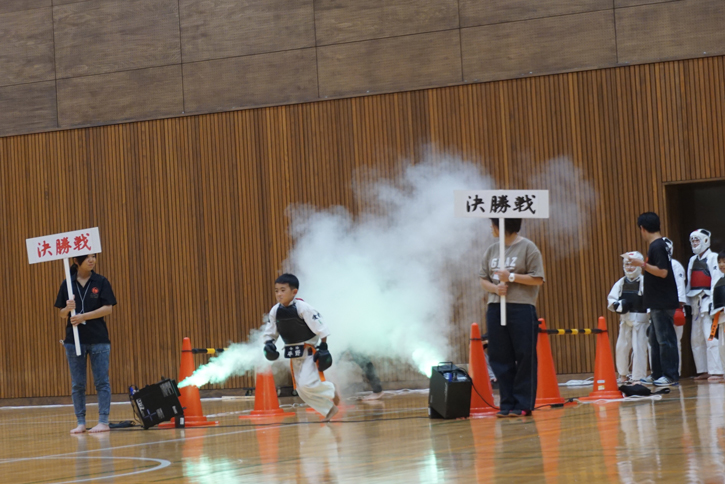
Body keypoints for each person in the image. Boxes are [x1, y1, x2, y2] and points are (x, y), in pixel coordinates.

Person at [479, 218, 545, 418]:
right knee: (499, 356)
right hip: (495, 307)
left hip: (521, 307)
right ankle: (506, 403)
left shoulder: (528, 248)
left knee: (524, 355)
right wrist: (495, 288)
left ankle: (523, 403)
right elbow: (483, 279)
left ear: (503, 226)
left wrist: (512, 277)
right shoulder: (492, 250)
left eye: (493, 224)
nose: (491, 228)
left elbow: (538, 279)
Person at [262, 273, 340, 422]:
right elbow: (270, 332)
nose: (279, 294)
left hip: (308, 350)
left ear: (294, 292)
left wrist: (323, 347)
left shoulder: (304, 308)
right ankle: (329, 409)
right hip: (292, 352)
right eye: (276, 290)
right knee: (301, 390)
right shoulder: (275, 311)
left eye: (283, 290)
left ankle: (331, 389)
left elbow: (322, 328)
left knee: (306, 384)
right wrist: (269, 344)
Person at [55, 254, 116, 434]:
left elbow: (108, 308)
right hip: (74, 341)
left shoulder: (101, 281)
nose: (92, 260)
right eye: (87, 257)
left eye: (94, 257)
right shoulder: (67, 284)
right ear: (76, 261)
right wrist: (67, 308)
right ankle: (80, 422)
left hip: (98, 339)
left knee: (102, 382)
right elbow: (61, 314)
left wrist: (84, 317)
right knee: (78, 384)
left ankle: (103, 421)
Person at [631, 212, 680, 387]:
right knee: (654, 339)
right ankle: (657, 373)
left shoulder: (658, 246)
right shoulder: (658, 245)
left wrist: (641, 264)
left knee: (665, 339)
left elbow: (663, 272)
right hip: (657, 301)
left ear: (642, 228)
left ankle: (670, 375)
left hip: (662, 301)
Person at [686, 229, 723, 382]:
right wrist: (687, 303)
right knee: (696, 339)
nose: (695, 243)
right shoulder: (692, 260)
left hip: (708, 300)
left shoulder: (713, 257)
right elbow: (689, 282)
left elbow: (716, 280)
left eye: (697, 240)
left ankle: (717, 371)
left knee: (710, 336)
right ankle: (703, 369)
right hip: (696, 302)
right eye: (693, 241)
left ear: (706, 241)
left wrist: (715, 303)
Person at [608, 251, 649, 384]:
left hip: (641, 320)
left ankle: (638, 377)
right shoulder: (621, 283)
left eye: (632, 264)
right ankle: (623, 375)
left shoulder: (644, 282)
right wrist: (617, 305)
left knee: (639, 348)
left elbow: (651, 300)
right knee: (621, 347)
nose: (629, 267)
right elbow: (612, 299)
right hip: (625, 319)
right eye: (627, 264)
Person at [663, 237, 688, 375]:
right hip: (660, 308)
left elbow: (680, 287)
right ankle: (661, 372)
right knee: (660, 341)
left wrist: (679, 308)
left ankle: (675, 372)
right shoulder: (654, 266)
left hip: (674, 307)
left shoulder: (675, 265)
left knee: (675, 340)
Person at [710, 251, 725, 381]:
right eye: (719, 262)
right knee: (722, 347)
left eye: (724, 261)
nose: (721, 265)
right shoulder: (719, 281)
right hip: (721, 319)